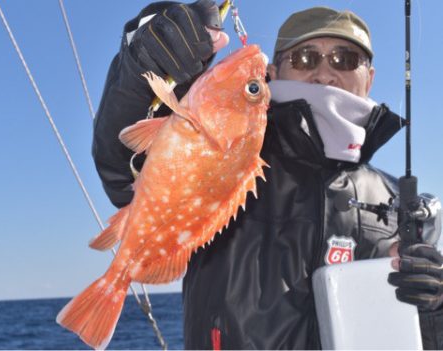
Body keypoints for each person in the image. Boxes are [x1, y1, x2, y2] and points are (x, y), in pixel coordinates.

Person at [92, 1, 443, 349]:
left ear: (370, 78)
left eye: (345, 60)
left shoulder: (404, 204)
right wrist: (141, 68)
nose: (324, 74)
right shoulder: (232, 155)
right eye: (304, 58)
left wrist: (435, 311)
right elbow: (124, 164)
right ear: (272, 74)